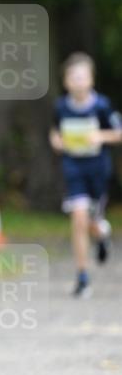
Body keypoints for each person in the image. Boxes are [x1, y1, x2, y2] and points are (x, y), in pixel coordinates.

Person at [49, 52, 122, 298]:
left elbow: (118, 133)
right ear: (66, 81)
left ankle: (101, 235)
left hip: (97, 170)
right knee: (78, 218)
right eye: (73, 77)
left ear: (91, 79)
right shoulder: (61, 107)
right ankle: (82, 276)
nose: (78, 82)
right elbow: (55, 132)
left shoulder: (101, 106)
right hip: (73, 169)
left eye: (82, 77)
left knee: (93, 222)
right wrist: (57, 141)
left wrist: (100, 136)